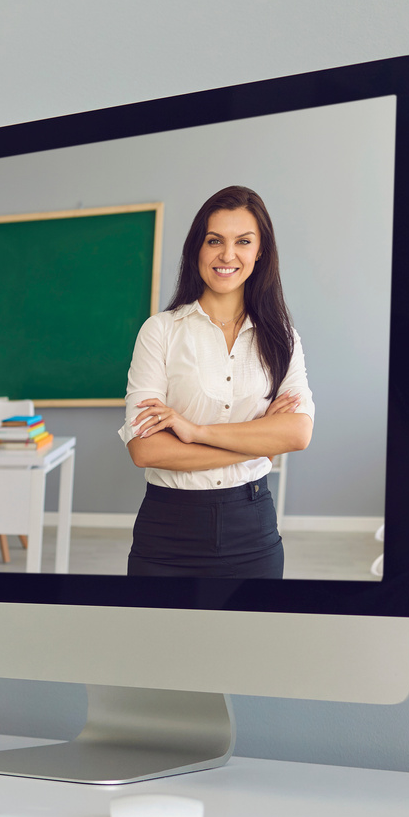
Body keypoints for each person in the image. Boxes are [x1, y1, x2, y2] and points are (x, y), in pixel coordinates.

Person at [120, 186, 314, 577]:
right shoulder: (160, 331)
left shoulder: (282, 337)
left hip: (252, 526)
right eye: (215, 241)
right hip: (168, 529)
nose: (228, 255)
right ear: (197, 250)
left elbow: (297, 433)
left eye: (243, 241)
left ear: (260, 252)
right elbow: (145, 450)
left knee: (250, 639)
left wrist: (193, 432)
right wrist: (260, 441)